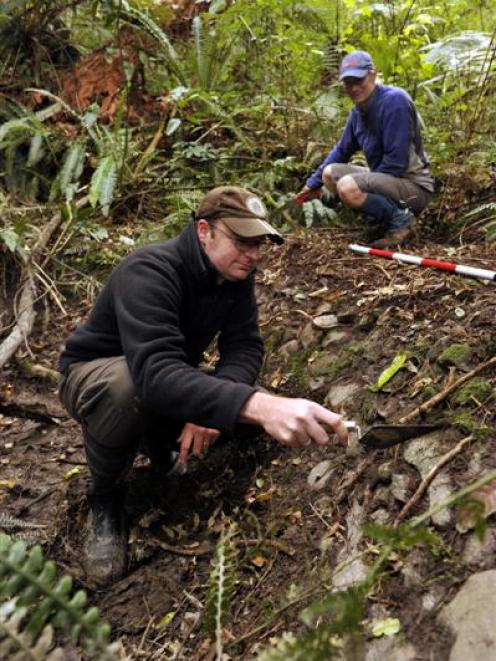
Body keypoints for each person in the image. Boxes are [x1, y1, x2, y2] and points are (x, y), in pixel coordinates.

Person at [58, 186, 348, 586]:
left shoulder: (234, 276)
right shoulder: (148, 271)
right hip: (98, 379)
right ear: (203, 231)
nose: (253, 254)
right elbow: (154, 374)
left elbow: (244, 345)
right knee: (131, 389)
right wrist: (250, 405)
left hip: (162, 377)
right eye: (242, 242)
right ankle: (105, 497)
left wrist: (220, 407)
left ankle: (161, 448)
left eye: (259, 244)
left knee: (249, 413)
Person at [298, 50, 434, 248]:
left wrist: (363, 184)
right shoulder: (357, 113)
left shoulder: (394, 101)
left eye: (358, 80)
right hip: (386, 180)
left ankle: (402, 219)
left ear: (373, 74)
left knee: (347, 185)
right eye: (348, 83)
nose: (353, 88)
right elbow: (341, 151)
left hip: (413, 186)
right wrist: (312, 184)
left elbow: (396, 162)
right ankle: (381, 220)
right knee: (329, 174)